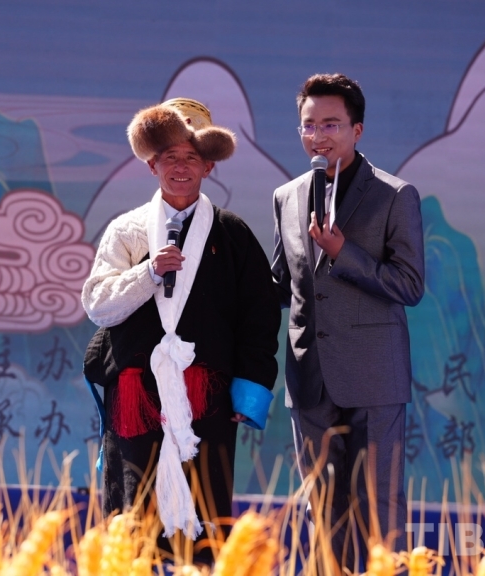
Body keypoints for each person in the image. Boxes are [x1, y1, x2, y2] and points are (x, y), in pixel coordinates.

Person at [82, 98, 281, 562]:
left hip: (205, 396)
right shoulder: (127, 230)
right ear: (152, 165)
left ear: (209, 167)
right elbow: (97, 304)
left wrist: (249, 390)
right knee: (133, 510)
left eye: (192, 157)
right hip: (136, 395)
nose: (180, 167)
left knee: (205, 509)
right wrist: (149, 272)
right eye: (170, 156)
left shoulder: (232, 234)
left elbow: (259, 314)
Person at [271, 73, 425, 568]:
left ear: (357, 130)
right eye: (309, 125)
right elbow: (281, 283)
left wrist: (344, 254)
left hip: (374, 378)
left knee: (379, 509)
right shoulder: (287, 196)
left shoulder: (395, 195)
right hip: (310, 378)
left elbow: (410, 285)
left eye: (331, 124)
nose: (318, 136)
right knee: (322, 512)